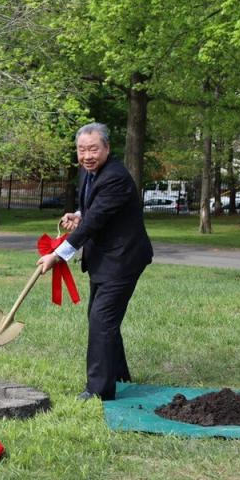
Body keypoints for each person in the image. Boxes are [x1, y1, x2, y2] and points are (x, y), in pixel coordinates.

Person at [37, 122, 153, 401]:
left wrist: (57, 254)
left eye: (93, 149)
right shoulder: (89, 173)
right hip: (105, 259)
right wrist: (79, 214)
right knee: (101, 318)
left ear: (107, 148)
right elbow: (93, 211)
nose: (87, 155)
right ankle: (119, 374)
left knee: (102, 320)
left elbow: (95, 222)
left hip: (122, 260)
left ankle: (99, 390)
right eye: (82, 150)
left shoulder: (115, 177)